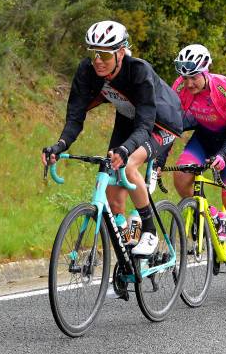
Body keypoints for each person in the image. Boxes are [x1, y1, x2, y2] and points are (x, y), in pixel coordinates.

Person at [42, 20, 183, 256]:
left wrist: (127, 149)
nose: (98, 60)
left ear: (120, 52)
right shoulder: (87, 71)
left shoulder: (138, 70)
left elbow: (145, 124)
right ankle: (129, 246)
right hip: (129, 118)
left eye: (105, 55)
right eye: (94, 53)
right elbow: (75, 117)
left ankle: (150, 232)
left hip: (161, 123)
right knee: (113, 195)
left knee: (127, 166)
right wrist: (60, 145)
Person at [170, 43, 226, 286]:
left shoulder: (225, 88)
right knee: (181, 177)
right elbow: (170, 124)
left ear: (206, 71)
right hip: (205, 136)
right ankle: (210, 216)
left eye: (194, 78)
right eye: (185, 77)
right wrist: (157, 159)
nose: (189, 84)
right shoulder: (179, 86)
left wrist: (222, 156)